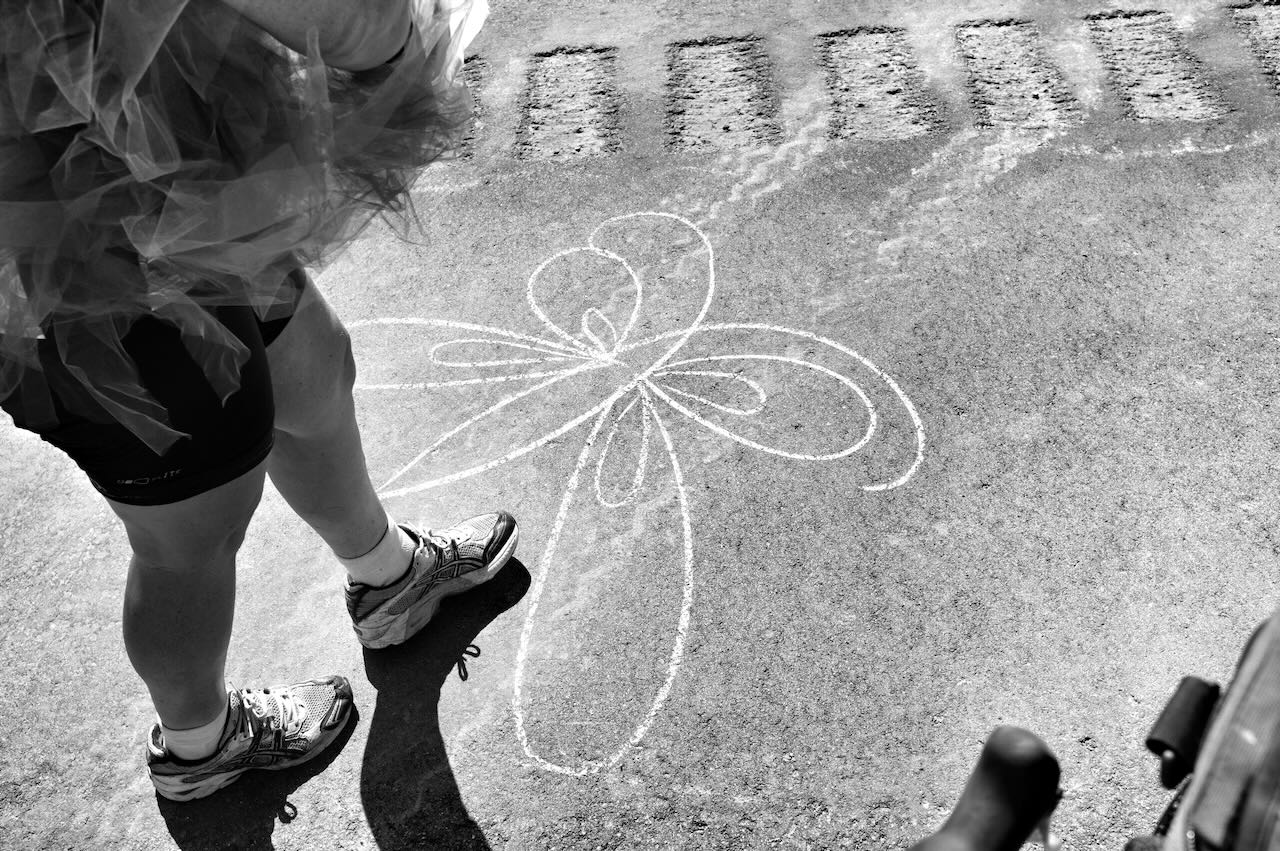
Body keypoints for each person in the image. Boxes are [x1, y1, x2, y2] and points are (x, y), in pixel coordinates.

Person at [0, 0, 514, 801]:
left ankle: (387, 576)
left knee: (310, 358)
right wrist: (395, 48)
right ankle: (198, 742)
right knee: (192, 519)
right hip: (55, 238)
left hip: (139, 162)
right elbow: (353, 24)